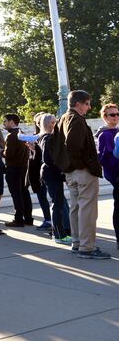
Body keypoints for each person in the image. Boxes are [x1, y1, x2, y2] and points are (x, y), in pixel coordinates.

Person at [58, 90, 110, 258]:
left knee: (76, 207)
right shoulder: (76, 119)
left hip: (71, 172)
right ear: (78, 103)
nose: (89, 107)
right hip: (81, 171)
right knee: (87, 209)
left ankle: (77, 242)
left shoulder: (63, 118)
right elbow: (72, 144)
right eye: (87, 103)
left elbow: (61, 145)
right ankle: (87, 247)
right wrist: (84, 164)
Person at [39, 113, 72, 244]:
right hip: (52, 174)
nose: (57, 123)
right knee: (57, 204)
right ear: (50, 124)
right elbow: (48, 159)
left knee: (57, 203)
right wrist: (61, 168)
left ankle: (59, 232)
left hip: (51, 173)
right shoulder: (48, 138)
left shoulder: (45, 137)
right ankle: (58, 234)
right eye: (54, 122)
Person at [3, 113, 33, 227]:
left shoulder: (11, 136)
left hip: (14, 169)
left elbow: (9, 154)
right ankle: (28, 218)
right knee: (24, 193)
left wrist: (0, 151)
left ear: (12, 122)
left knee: (17, 194)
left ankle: (19, 219)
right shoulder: (22, 133)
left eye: (5, 121)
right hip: (23, 168)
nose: (4, 124)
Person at [95, 103, 119, 248]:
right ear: (104, 117)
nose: (116, 117)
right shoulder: (104, 134)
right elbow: (105, 158)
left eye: (117, 114)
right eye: (112, 114)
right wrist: (116, 175)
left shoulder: (116, 132)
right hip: (116, 175)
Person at [29, 113, 52, 232]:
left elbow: (42, 156)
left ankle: (49, 220)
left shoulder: (45, 137)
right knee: (43, 197)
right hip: (38, 172)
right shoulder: (36, 137)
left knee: (47, 197)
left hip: (43, 172)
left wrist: (34, 149)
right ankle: (48, 219)